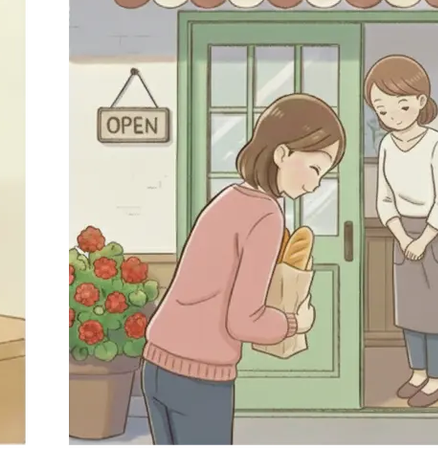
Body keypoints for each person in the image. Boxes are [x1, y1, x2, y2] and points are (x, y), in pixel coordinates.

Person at [141, 93, 344, 447]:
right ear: (283, 154)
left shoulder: (228, 199)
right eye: (315, 168)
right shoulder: (266, 215)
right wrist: (296, 322)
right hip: (199, 378)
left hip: (157, 365)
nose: (315, 185)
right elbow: (243, 321)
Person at [366, 55, 438, 408]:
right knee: (409, 311)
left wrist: (423, 239)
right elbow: (384, 199)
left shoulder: (436, 143)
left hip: (437, 235)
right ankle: (418, 373)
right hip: (403, 234)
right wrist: (402, 235)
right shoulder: (386, 146)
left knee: (437, 313)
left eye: (401, 105)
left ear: (421, 102)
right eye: (381, 108)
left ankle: (437, 378)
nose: (391, 115)